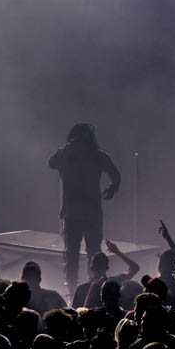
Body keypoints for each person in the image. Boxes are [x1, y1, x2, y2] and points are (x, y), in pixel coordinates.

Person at [48, 124, 120, 294]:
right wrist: (113, 187)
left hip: (79, 212)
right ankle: (81, 287)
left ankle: (84, 287)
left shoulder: (87, 155)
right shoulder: (94, 155)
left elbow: (115, 175)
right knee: (84, 252)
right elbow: (51, 163)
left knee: (79, 252)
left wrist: (113, 187)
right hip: (84, 212)